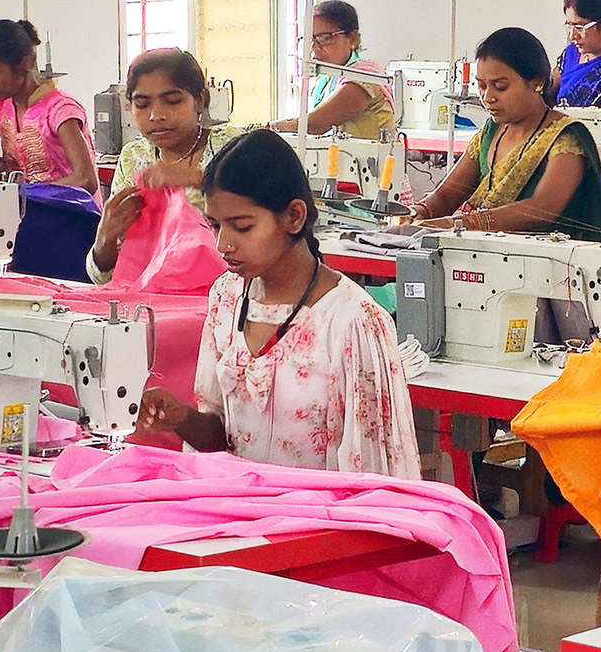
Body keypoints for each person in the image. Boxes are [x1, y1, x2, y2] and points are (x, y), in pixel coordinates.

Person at [132, 130, 416, 477]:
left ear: (294, 217)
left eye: (242, 227)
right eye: (215, 226)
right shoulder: (227, 298)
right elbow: (220, 439)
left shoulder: (351, 320)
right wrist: (183, 419)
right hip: (246, 511)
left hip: (320, 518)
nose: (223, 245)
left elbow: (370, 474)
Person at [406, 28, 601, 242]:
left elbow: (543, 207)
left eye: (500, 87)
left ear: (537, 83)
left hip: (543, 261)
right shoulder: (491, 131)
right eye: (482, 86)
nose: (488, 97)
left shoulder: (565, 137)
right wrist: (419, 213)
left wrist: (463, 224)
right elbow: (447, 195)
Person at [92, 49, 231, 294]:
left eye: (173, 101)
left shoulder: (232, 148)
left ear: (199, 101)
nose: (156, 115)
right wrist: (103, 244)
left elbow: (267, 205)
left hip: (228, 295)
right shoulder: (133, 159)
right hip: (156, 303)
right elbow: (110, 279)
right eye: (142, 104)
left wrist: (197, 179)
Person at [0, 19, 98, 189]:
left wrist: (30, 192)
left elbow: (86, 180)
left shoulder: (60, 110)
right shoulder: (3, 107)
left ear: (23, 65)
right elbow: (12, 170)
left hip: (71, 213)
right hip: (29, 211)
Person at [287, 3, 398, 139]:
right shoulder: (323, 80)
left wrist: (265, 128)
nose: (314, 47)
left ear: (353, 38)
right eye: (308, 39)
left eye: (324, 38)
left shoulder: (364, 77)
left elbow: (313, 125)